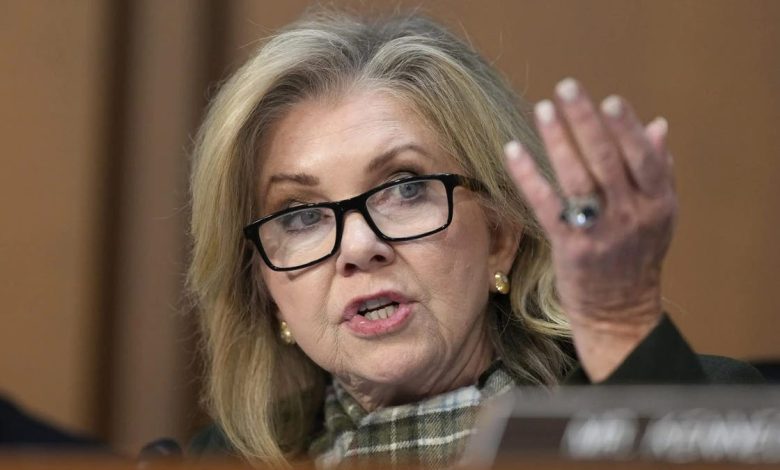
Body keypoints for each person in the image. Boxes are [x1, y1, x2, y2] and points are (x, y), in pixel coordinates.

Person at [186, 10, 762, 467]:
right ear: (264, 284)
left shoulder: (689, 408)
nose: (358, 247)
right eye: (301, 215)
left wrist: (621, 329)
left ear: (501, 235)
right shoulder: (222, 461)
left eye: (406, 187)